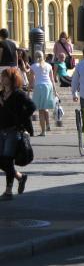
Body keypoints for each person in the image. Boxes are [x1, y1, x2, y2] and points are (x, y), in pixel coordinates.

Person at [0, 67, 36, 199]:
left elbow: (32, 106)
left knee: (8, 160)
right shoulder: (1, 94)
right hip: (1, 130)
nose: (2, 79)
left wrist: (20, 120)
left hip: (13, 131)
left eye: (5, 76)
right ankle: (20, 177)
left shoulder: (18, 94)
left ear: (12, 79)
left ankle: (8, 191)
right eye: (2, 76)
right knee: (2, 161)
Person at [29, 51, 56, 136]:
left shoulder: (33, 66)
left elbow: (31, 80)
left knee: (40, 110)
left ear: (35, 57)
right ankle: (48, 125)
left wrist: (29, 90)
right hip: (49, 86)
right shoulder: (48, 65)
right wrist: (55, 91)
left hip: (39, 86)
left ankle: (43, 131)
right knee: (45, 107)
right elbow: (52, 79)